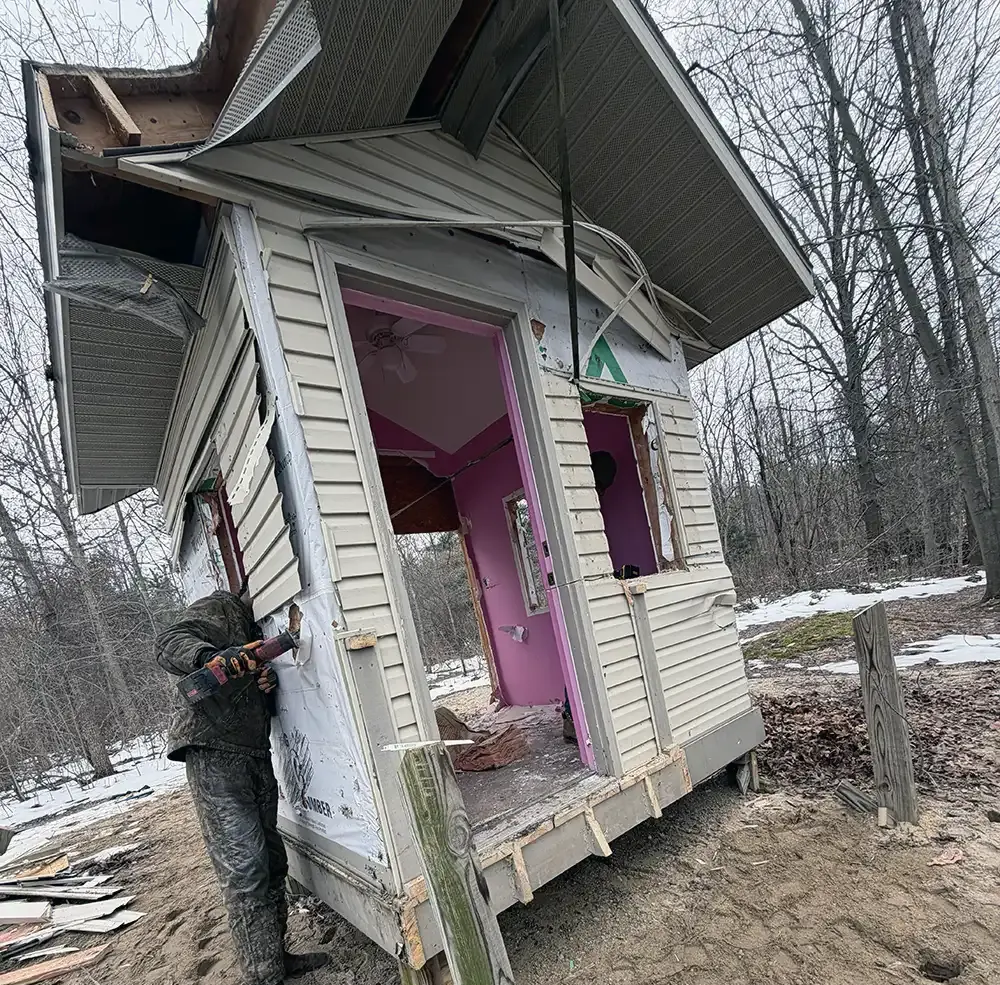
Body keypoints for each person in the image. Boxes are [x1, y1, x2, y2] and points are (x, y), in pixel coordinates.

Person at [156, 590, 329, 985]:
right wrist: (210, 658)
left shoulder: (263, 630)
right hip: (213, 751)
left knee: (272, 861)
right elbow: (169, 642)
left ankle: (274, 960)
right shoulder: (222, 606)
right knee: (245, 869)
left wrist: (261, 686)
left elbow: (251, 695)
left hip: (253, 752)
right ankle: (262, 976)